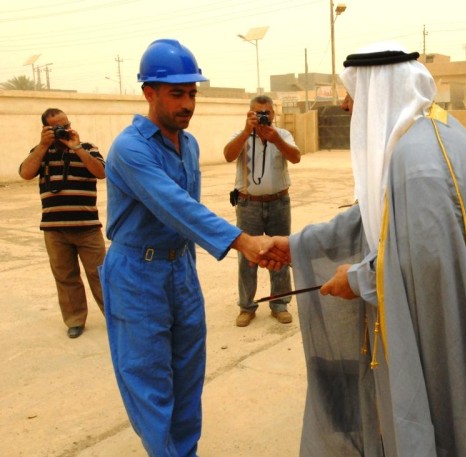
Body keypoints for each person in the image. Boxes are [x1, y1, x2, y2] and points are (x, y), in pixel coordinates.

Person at [274, 42, 466, 456]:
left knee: (445, 425)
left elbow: (428, 261)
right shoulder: (430, 131)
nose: (347, 105)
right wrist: (296, 245)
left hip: (448, 328)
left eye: (353, 93)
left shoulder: (418, 159)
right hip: (455, 310)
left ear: (380, 90)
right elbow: (379, 216)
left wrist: (356, 278)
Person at [100, 39, 286, 457]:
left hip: (179, 269)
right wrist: (243, 241)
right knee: (149, 381)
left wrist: (245, 244)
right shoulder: (130, 148)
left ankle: (185, 450)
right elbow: (175, 206)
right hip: (136, 274)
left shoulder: (190, 145)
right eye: (176, 93)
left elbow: (190, 212)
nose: (187, 103)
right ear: (149, 93)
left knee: (187, 374)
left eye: (192, 93)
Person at [19, 108, 106, 339]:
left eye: (66, 125)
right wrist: (42, 146)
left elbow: (101, 172)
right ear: (46, 129)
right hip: (54, 230)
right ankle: (75, 320)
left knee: (102, 274)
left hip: (87, 227)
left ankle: (116, 317)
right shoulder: (40, 152)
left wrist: (76, 148)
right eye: (58, 127)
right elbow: (26, 173)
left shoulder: (87, 148)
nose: (64, 130)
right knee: (66, 277)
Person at [223, 95, 301, 327]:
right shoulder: (241, 135)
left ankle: (279, 304)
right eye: (258, 112)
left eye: (267, 112)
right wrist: (247, 132)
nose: (263, 116)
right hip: (249, 204)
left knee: (280, 253)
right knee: (247, 256)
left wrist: (276, 139)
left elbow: (295, 158)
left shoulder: (283, 135)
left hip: (279, 202)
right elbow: (228, 155)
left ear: (274, 114)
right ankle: (247, 306)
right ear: (249, 113)